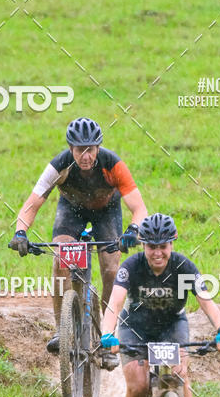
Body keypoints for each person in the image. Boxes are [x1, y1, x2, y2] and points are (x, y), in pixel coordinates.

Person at [9, 117, 147, 367]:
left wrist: (132, 231)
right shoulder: (59, 166)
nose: (85, 156)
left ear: (98, 148)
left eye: (91, 150)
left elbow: (140, 209)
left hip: (107, 212)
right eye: (79, 150)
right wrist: (20, 233)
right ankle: (62, 330)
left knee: (111, 270)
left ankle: (107, 336)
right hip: (71, 212)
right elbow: (32, 203)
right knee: (61, 258)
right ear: (70, 149)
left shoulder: (112, 164)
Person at [99, 213, 220, 397]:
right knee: (138, 384)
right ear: (143, 246)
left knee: (181, 376)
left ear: (172, 244)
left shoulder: (184, 267)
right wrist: (107, 333)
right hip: (135, 328)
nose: (157, 253)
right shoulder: (131, 267)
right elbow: (115, 303)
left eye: (163, 246)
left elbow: (207, 301)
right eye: (151, 247)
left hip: (172, 326)